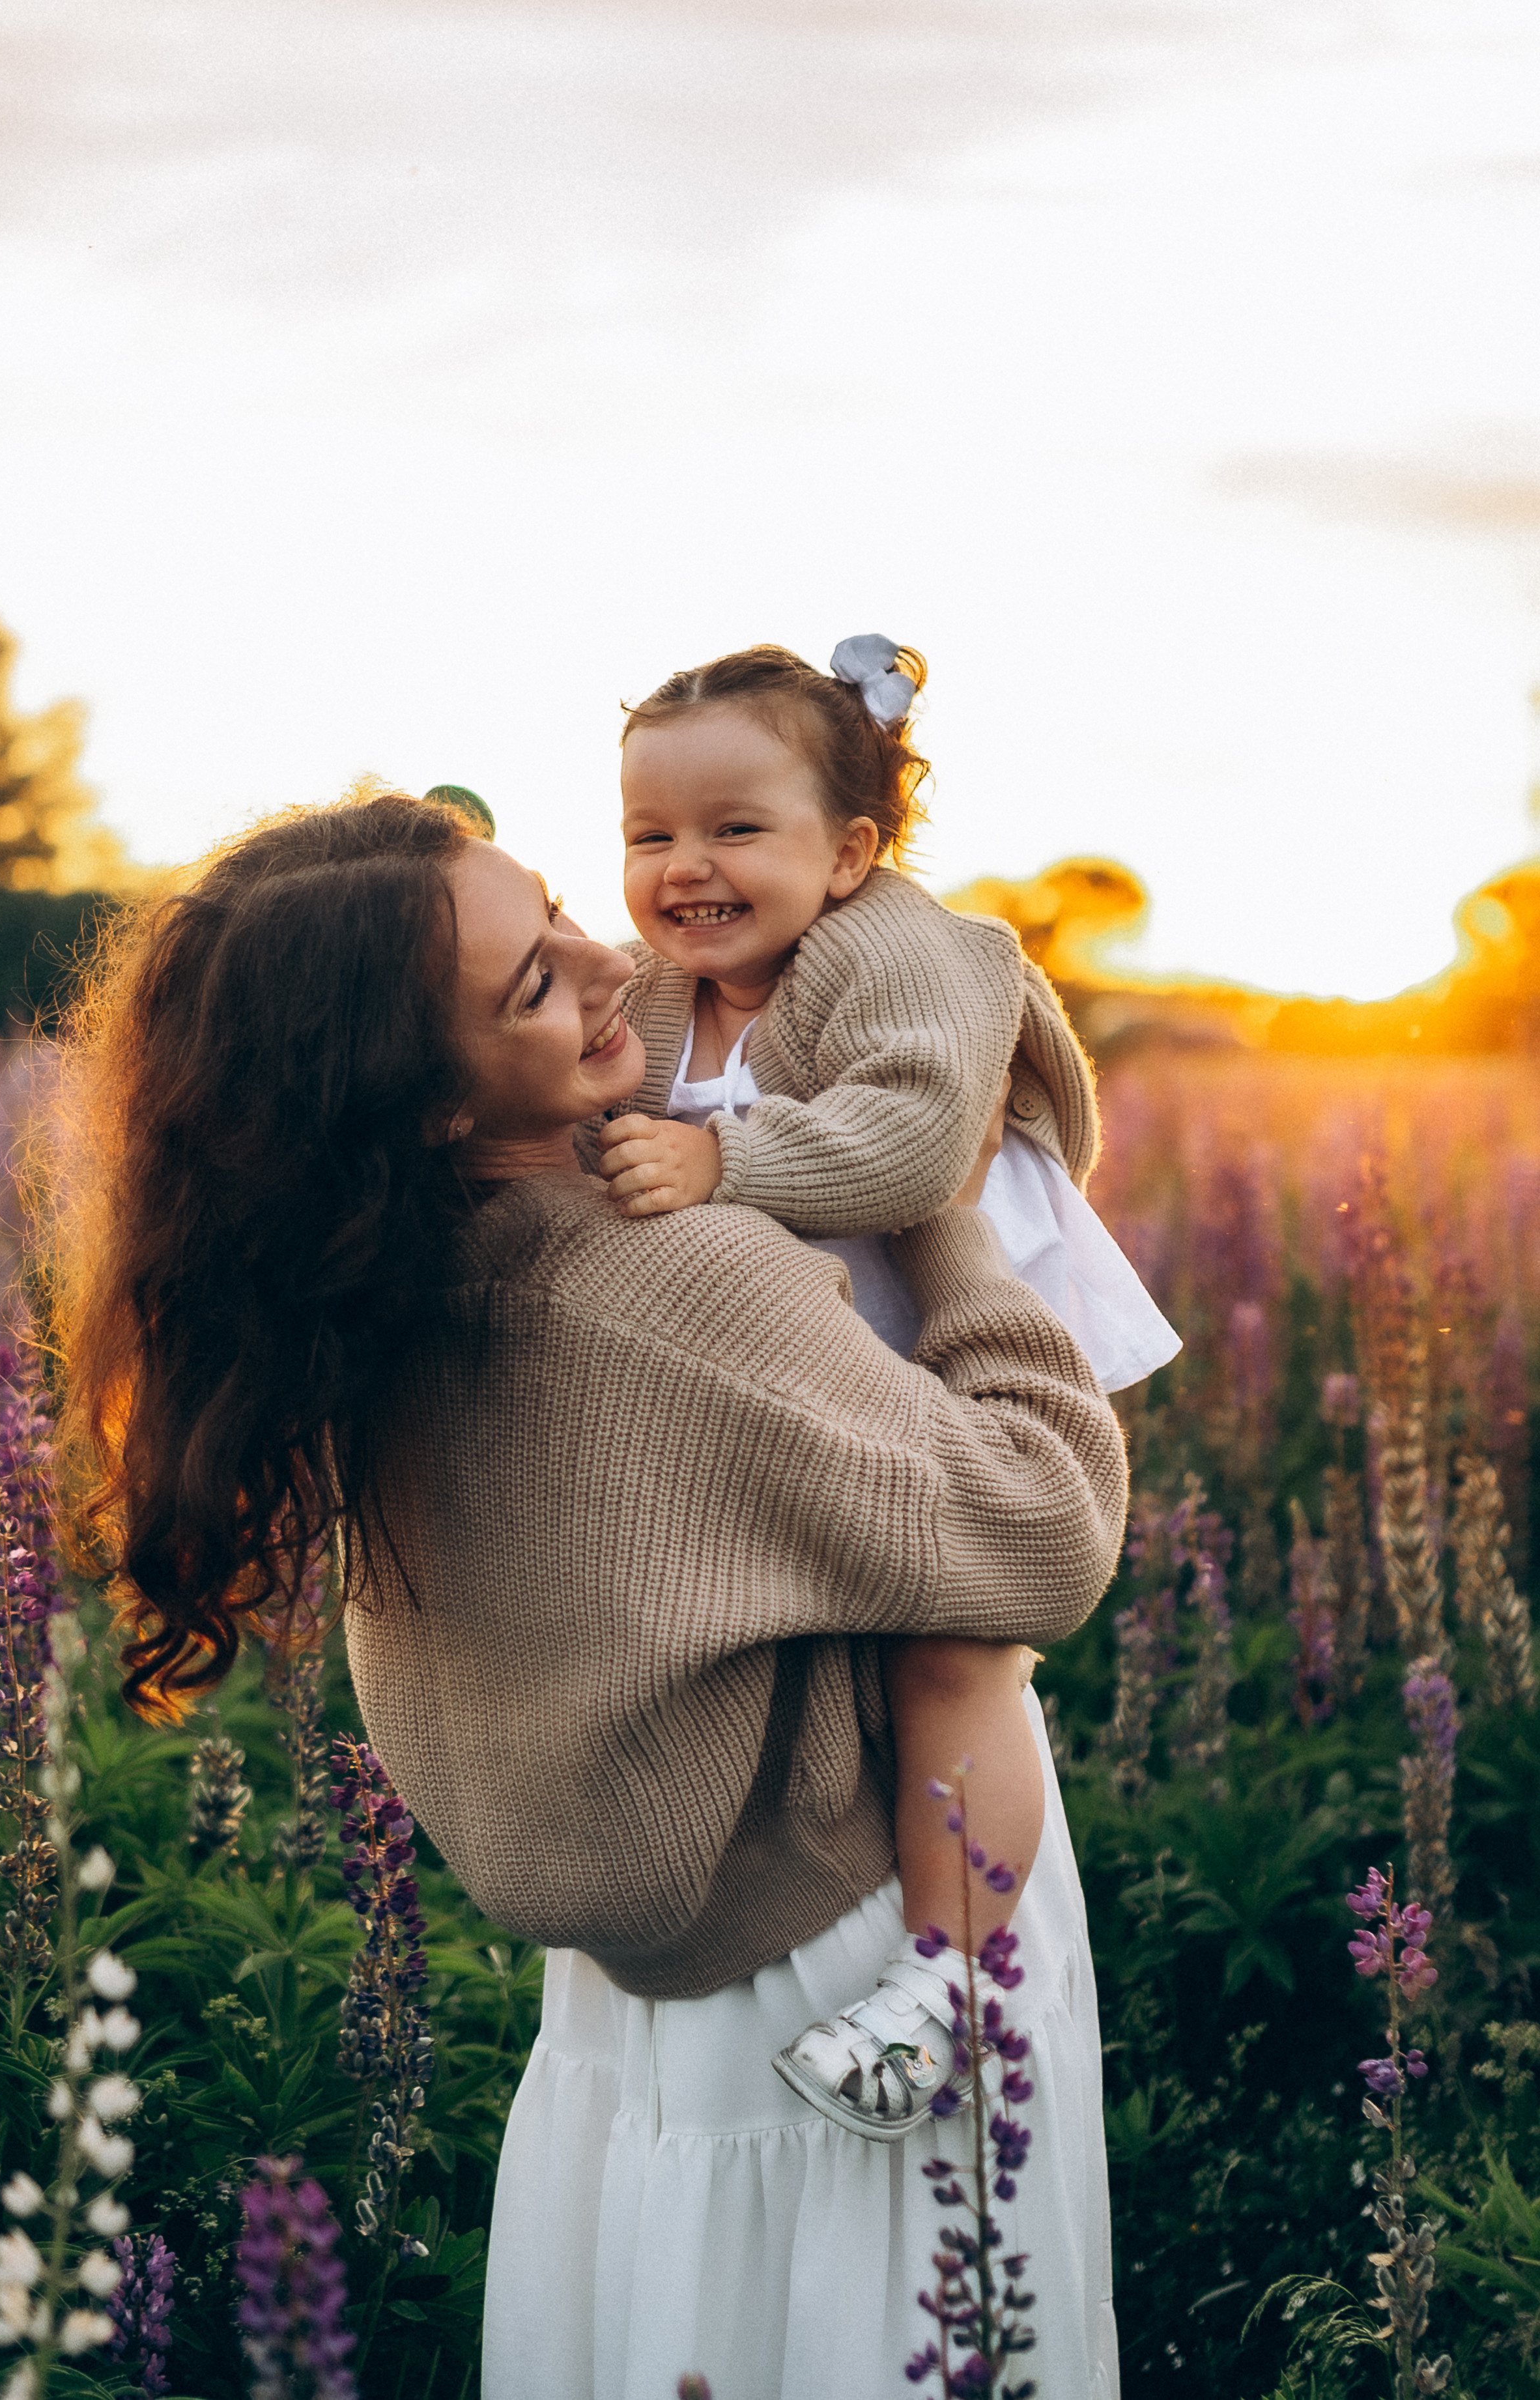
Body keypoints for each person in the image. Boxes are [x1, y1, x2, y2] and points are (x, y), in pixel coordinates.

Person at [52, 788, 1128, 2400]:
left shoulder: (390, 1283)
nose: (606, 961)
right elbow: (1043, 1531)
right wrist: (947, 1220)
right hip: (869, 1966)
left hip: (637, 2022)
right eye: (534, 984)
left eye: (557, 905)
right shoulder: (670, 1286)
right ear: (418, 1100)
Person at [596, 636, 1178, 2141]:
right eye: (648, 835)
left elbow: (921, 1142)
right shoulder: (674, 991)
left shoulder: (907, 950)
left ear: (850, 851)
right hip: (828, 1378)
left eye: (736, 829)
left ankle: (955, 1978)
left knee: (952, 1648)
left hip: (963, 1347)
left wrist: (725, 1161)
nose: (687, 868)